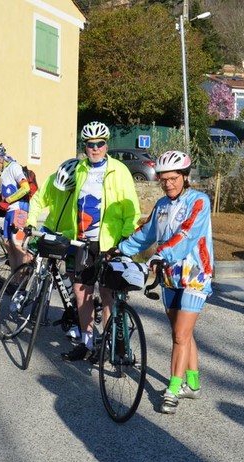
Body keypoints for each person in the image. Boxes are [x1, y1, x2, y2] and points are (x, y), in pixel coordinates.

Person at [116, 150, 212, 415]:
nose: (168, 184)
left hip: (195, 275)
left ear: (185, 176)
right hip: (169, 275)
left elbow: (187, 234)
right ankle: (193, 384)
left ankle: (172, 390)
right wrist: (120, 249)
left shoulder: (199, 201)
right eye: (163, 179)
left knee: (180, 335)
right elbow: (145, 234)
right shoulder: (161, 205)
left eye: (173, 178)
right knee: (181, 333)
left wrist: (161, 254)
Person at [60, 121, 142, 363]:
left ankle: (107, 344)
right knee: (81, 292)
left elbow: (131, 208)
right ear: (84, 146)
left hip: (109, 243)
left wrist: (125, 238)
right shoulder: (80, 169)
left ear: (106, 145)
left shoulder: (119, 170)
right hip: (82, 241)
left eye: (100, 144)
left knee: (107, 294)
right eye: (90, 144)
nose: (95, 148)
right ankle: (87, 342)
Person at [27, 158, 81, 338]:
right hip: (50, 228)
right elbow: (37, 201)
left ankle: (76, 315)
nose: (63, 191)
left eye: (68, 189)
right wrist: (31, 222)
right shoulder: (52, 180)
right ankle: (25, 290)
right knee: (30, 252)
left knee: (74, 278)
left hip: (71, 234)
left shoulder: (83, 188)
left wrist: (68, 234)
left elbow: (84, 219)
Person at [0, 143, 31, 273]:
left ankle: (23, 279)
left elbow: (25, 188)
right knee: (8, 245)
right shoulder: (4, 171)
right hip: (10, 211)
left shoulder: (14, 167)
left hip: (19, 209)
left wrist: (8, 200)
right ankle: (14, 279)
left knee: (17, 246)